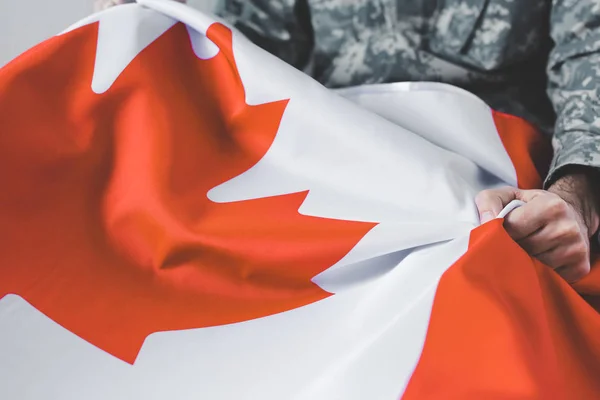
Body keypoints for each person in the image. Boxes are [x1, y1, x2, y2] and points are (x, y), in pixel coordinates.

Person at [98, 0, 600, 283]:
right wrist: (149, 36)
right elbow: (241, 69)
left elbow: (591, 59)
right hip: (341, 208)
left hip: (500, 207)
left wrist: (573, 200)